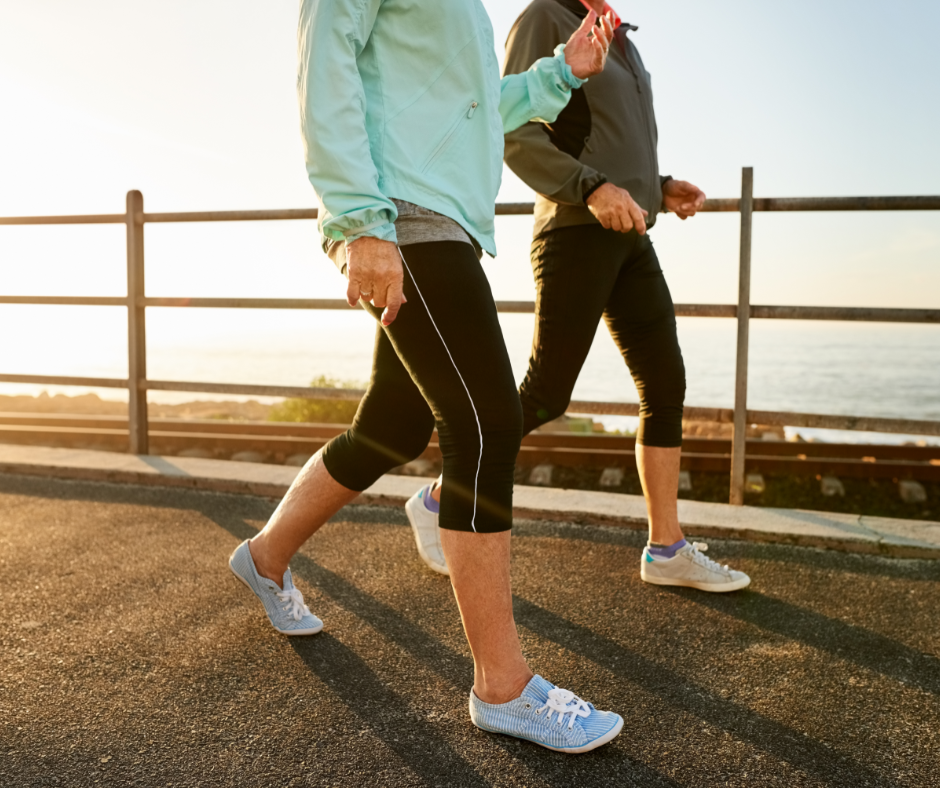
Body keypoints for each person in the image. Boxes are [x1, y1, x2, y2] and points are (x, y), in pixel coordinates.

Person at [229, 0, 625, 755]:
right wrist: (358, 221)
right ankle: (503, 688)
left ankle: (265, 556)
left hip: (442, 218)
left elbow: (473, 107)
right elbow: (327, 68)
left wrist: (558, 75)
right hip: (403, 216)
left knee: (392, 425)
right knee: (486, 423)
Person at [405, 0, 751, 594]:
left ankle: (666, 548)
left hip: (630, 233)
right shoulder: (545, 17)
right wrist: (590, 188)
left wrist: (657, 187)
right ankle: (440, 497)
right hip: (573, 231)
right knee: (546, 393)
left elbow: (605, 133)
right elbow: (507, 126)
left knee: (665, 385)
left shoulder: (622, 37)